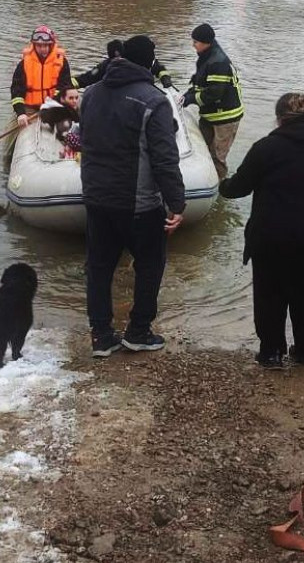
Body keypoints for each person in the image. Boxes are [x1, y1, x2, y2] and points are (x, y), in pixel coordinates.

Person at [219, 92, 304, 369]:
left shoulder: (266, 148)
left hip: (274, 238)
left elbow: (239, 187)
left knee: (270, 294)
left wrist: (221, 184)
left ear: (278, 119)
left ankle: (272, 353)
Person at [79, 34, 186, 357]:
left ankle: (101, 335)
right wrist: (177, 202)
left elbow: (85, 140)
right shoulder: (154, 101)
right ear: (150, 63)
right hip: (138, 204)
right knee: (150, 264)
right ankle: (138, 330)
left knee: (99, 267)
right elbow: (164, 158)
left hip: (97, 198)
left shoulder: (91, 94)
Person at [181, 23, 244, 179]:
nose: (193, 45)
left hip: (225, 118)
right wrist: (187, 95)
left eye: (195, 42)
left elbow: (214, 93)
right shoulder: (207, 57)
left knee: (217, 158)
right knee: (202, 152)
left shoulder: (218, 62)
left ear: (206, 42)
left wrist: (190, 99)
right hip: (211, 115)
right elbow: (201, 84)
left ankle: (219, 186)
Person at [10, 26, 72, 127]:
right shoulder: (24, 64)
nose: (43, 49)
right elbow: (16, 91)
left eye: (46, 45)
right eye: (39, 45)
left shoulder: (61, 62)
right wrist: (20, 113)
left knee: (66, 127)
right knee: (16, 128)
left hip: (53, 107)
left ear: (51, 45)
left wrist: (52, 105)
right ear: (34, 45)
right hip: (29, 109)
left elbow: (65, 86)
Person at [76, 39, 172, 89]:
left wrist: (165, 78)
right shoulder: (107, 66)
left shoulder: (143, 60)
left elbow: (159, 68)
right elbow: (87, 78)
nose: (117, 60)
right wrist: (69, 86)